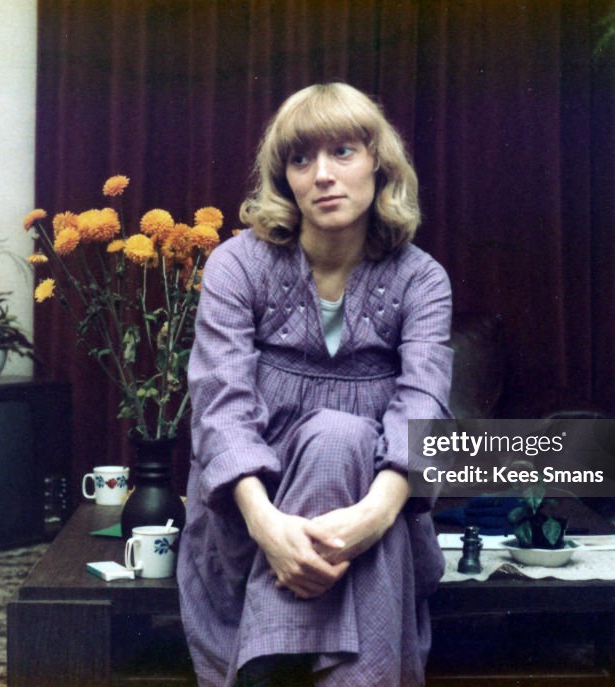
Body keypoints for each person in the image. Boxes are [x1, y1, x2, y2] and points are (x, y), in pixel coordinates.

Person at [178, 82, 453, 687]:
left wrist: (373, 519)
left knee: (339, 438)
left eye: (343, 153)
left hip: (373, 520)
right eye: (302, 159)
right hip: (248, 523)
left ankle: (268, 668)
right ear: (285, 179)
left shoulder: (422, 279)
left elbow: (423, 404)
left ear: (379, 162)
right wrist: (270, 528)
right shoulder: (237, 264)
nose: (322, 175)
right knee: (338, 435)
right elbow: (219, 405)